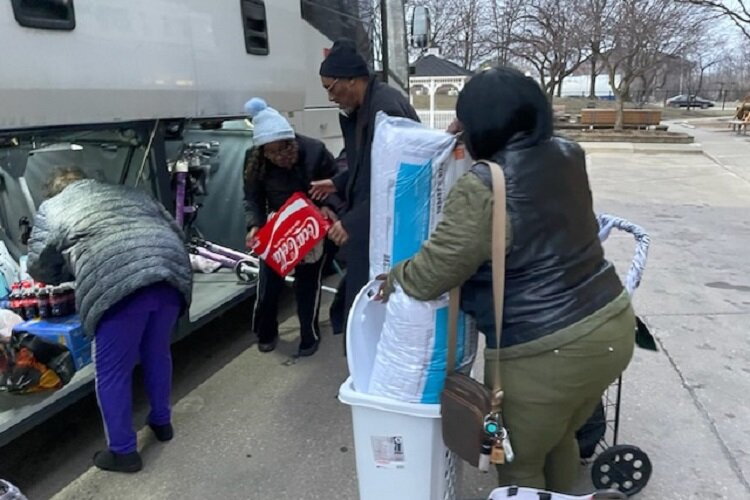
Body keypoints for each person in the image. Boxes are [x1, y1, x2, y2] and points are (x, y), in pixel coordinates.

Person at [379, 67, 636, 492]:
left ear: (483, 122)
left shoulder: (484, 186)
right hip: (612, 323)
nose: (458, 127)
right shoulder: (570, 154)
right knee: (558, 439)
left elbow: (430, 275)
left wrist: (392, 276)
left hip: (545, 350)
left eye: (465, 118)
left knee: (518, 464)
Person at [27, 167, 192, 473]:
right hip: (169, 274)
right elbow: (176, 231)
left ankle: (123, 452)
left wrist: (65, 274)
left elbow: (38, 264)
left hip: (118, 284)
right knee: (157, 353)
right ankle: (161, 421)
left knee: (112, 371)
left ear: (53, 190)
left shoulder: (53, 207)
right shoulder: (130, 192)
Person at [312, 38, 419, 323]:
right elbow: (370, 166)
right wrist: (338, 181)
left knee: (370, 307)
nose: (330, 98)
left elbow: (396, 181)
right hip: (373, 221)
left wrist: (351, 223)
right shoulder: (367, 107)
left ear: (351, 79)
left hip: (385, 228)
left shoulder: (385, 111)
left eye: (330, 88)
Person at [244, 98, 341, 356]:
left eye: (284, 151)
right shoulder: (254, 159)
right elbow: (252, 197)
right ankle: (266, 332)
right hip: (277, 225)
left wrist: (328, 206)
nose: (279, 158)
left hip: (311, 226)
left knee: (307, 285)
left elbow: (337, 184)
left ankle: (309, 335)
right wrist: (254, 225)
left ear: (292, 141)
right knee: (268, 286)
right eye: (272, 153)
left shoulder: (315, 151)